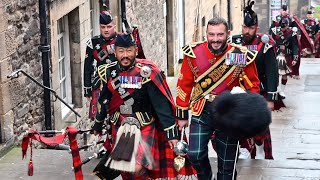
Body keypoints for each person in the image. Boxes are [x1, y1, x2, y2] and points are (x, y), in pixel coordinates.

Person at [91, 34, 196, 179]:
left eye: (129, 51)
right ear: (115, 52)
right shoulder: (108, 72)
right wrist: (97, 124)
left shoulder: (147, 72)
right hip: (119, 125)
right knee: (126, 170)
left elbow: (161, 106)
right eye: (121, 51)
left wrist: (172, 135)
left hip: (143, 125)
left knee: (137, 166)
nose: (125, 55)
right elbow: (103, 100)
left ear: (135, 50)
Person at [176, 16, 260, 180]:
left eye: (220, 35)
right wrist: (181, 115)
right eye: (211, 35)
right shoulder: (193, 53)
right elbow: (184, 84)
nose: (215, 39)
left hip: (228, 114)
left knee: (227, 166)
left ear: (228, 33)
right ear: (206, 33)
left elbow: (254, 86)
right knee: (195, 155)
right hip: (202, 111)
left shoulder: (241, 55)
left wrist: (245, 101)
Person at [228, 1, 278, 159]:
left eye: (250, 28)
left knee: (258, 125)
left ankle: (260, 145)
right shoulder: (233, 42)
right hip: (238, 92)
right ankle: (242, 149)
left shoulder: (264, 44)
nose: (246, 31)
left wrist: (271, 98)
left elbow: (272, 72)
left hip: (259, 91)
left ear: (256, 28)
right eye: (244, 27)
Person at [83, 11, 118, 120]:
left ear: (114, 26)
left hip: (119, 79)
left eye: (109, 26)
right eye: (103, 27)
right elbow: (87, 67)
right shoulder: (93, 43)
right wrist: (87, 90)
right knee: (99, 115)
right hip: (101, 82)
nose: (106, 30)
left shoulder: (122, 40)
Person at [271, 17, 299, 98]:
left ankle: (282, 91)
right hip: (276, 55)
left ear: (287, 25)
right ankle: (274, 90)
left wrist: (295, 58)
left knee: (284, 75)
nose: (282, 28)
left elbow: (294, 46)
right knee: (274, 74)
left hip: (286, 56)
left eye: (284, 27)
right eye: (281, 27)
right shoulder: (275, 31)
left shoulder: (292, 33)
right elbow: (271, 42)